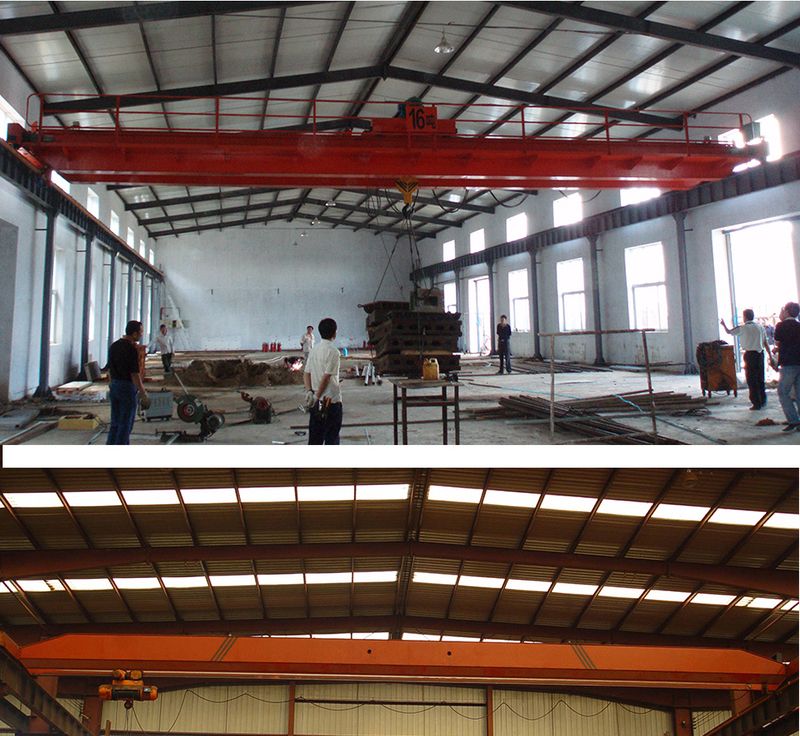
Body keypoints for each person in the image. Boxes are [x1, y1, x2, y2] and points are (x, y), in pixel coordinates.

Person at [106, 320, 149, 445]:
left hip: (115, 386)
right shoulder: (131, 349)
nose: (141, 335)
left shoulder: (114, 346)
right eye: (141, 332)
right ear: (134, 334)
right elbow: (134, 374)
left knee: (115, 422)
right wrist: (142, 391)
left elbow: (110, 370)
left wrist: (111, 386)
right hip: (127, 388)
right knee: (125, 424)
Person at [303, 317, 343, 444]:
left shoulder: (314, 350)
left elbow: (306, 373)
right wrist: (317, 395)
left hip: (316, 404)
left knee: (315, 440)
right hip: (331, 403)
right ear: (335, 333)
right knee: (331, 440)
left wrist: (310, 392)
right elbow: (326, 377)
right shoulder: (333, 352)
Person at [720, 309, 769, 410]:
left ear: (745, 317)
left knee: (751, 379)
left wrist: (723, 324)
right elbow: (765, 342)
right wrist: (770, 356)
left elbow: (729, 332)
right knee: (760, 378)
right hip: (760, 354)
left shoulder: (742, 328)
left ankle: (756, 403)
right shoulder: (760, 327)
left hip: (750, 355)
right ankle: (763, 400)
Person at [773, 301, 800, 432]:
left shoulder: (781, 326)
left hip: (788, 364)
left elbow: (777, 342)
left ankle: (793, 420)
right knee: (799, 394)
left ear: (787, 312)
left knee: (783, 392)